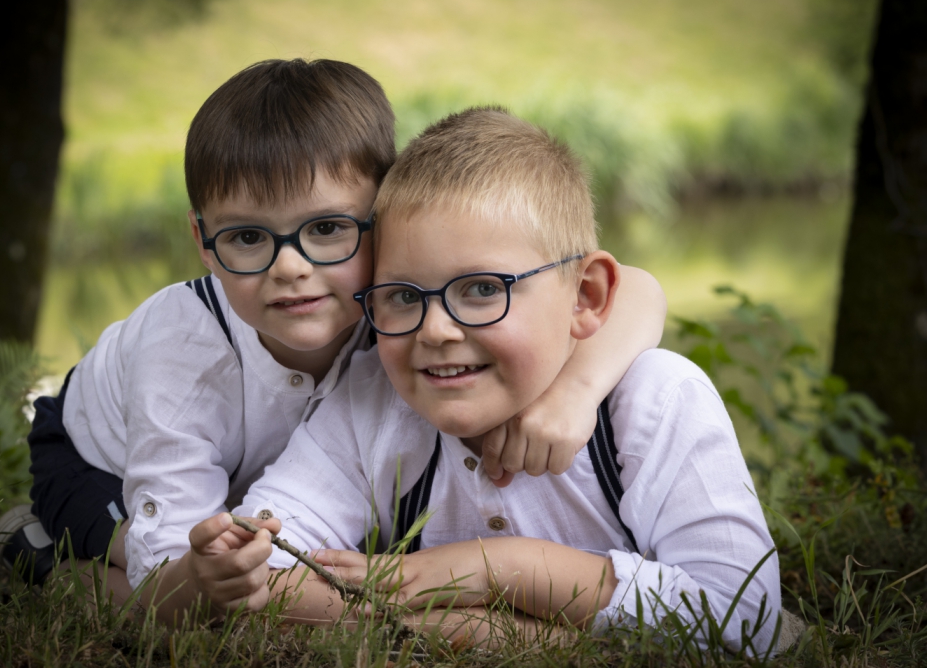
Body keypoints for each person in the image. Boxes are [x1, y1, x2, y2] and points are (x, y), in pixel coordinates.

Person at [0, 61, 667, 623]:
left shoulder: (400, 301)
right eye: (248, 237)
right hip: (98, 462)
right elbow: (178, 565)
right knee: (174, 588)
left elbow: (635, 290)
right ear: (204, 243)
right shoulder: (185, 358)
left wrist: (576, 393)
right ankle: (50, 563)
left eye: (327, 229)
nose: (290, 267)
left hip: (262, 477)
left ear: (384, 218)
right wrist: (211, 578)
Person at [234, 107, 781, 654]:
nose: (437, 329)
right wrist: (483, 635)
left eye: (481, 289)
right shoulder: (372, 402)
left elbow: (750, 621)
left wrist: (500, 567)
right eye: (403, 296)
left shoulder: (655, 401)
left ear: (585, 296)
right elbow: (257, 570)